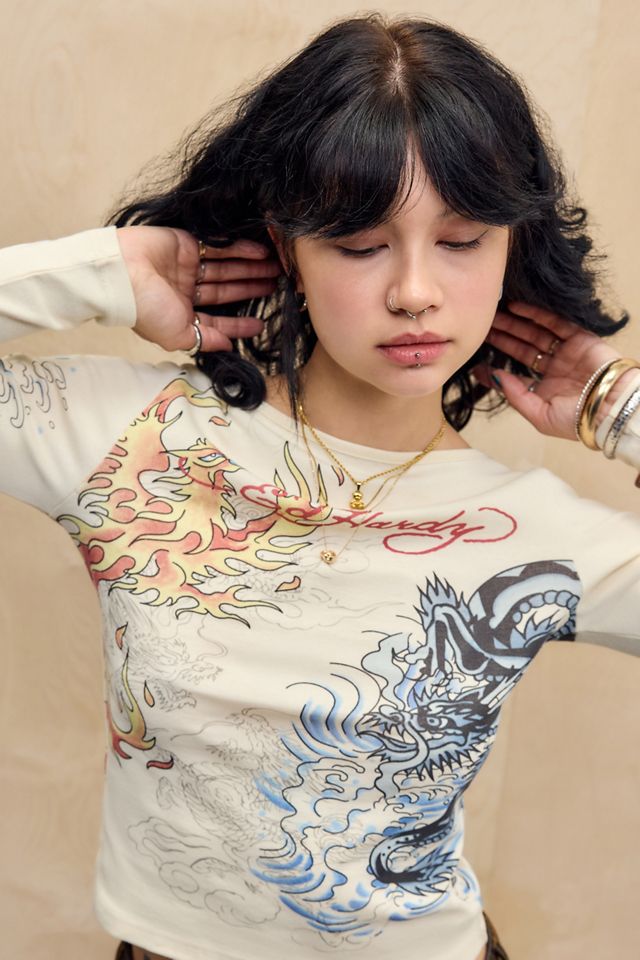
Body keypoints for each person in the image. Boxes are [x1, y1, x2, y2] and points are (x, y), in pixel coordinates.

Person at [1, 13, 639, 960]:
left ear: (513, 246)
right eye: (360, 244)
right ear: (286, 244)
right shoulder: (127, 441)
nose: (415, 291)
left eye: (463, 240)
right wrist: (104, 271)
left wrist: (624, 411)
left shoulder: (534, 534)